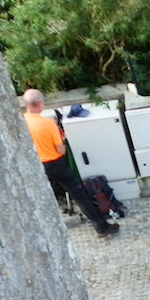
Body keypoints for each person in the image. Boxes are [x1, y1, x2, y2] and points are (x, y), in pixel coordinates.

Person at [21, 89, 120, 238]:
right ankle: (101, 227)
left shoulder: (21, 122)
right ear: (40, 104)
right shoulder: (47, 124)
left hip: (36, 164)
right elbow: (60, 150)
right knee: (78, 195)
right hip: (55, 163)